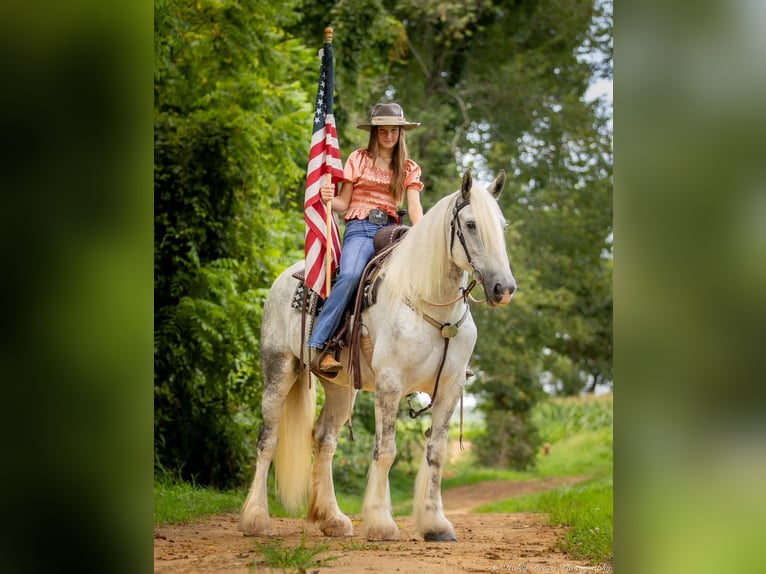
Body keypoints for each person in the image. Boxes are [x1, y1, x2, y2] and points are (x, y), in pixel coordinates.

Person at [308, 102, 425, 374]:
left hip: (392, 233)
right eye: (382, 131)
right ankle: (324, 344)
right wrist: (329, 199)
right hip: (360, 228)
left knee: (419, 279)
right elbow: (344, 202)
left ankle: (431, 353)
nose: (388, 136)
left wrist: (421, 236)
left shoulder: (408, 168)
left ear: (400, 132)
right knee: (350, 276)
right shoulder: (358, 159)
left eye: (393, 131)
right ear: (374, 132)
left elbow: (415, 208)